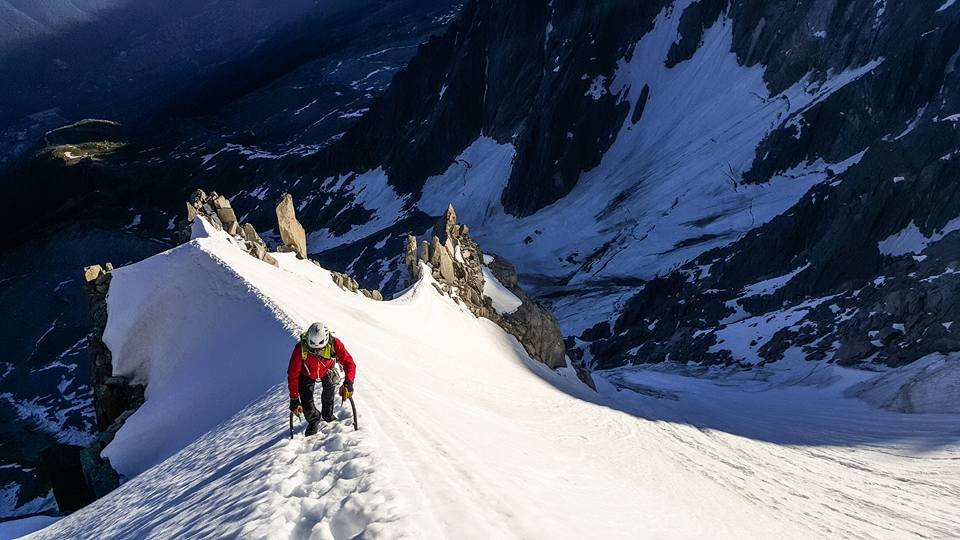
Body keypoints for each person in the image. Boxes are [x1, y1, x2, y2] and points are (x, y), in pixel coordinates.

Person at [288, 322, 356, 436]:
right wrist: (294, 398)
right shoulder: (300, 348)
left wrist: (349, 382)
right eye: (313, 349)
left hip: (327, 371)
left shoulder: (334, 344)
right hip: (307, 374)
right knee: (307, 404)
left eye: (320, 349)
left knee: (328, 396)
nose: (317, 352)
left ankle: (328, 416)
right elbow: (293, 374)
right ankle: (314, 419)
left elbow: (349, 363)